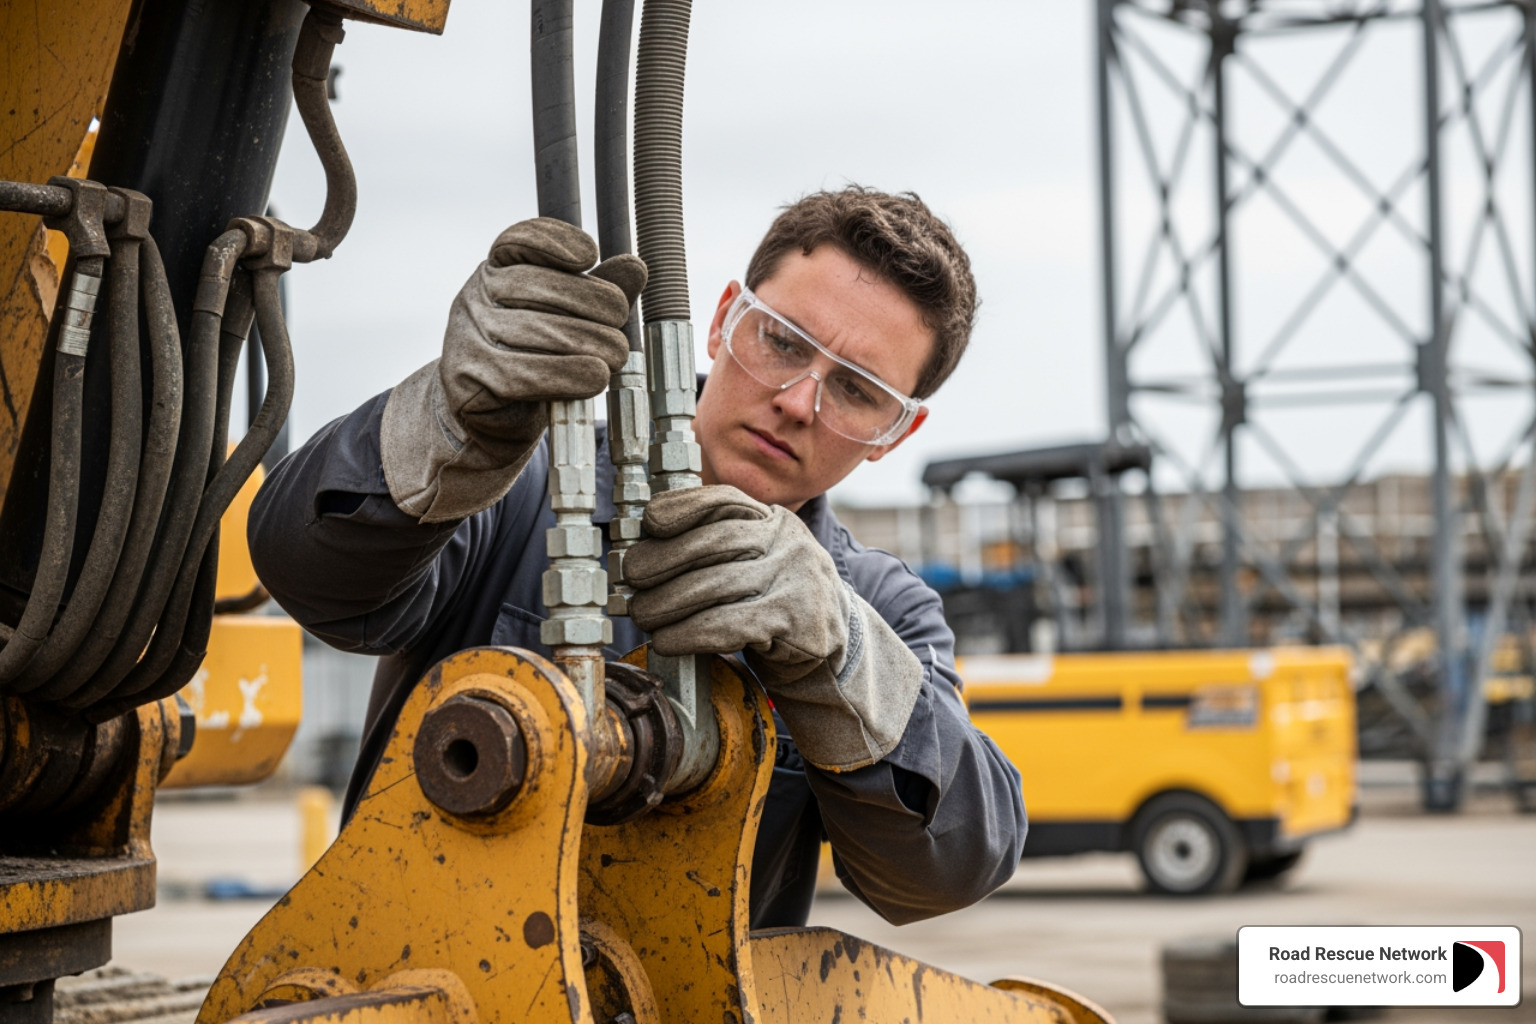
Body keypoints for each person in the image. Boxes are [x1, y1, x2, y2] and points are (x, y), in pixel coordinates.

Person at [249, 185, 1027, 928]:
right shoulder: (519, 482)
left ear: (895, 433)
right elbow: (304, 568)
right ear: (722, 321)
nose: (797, 401)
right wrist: (445, 422)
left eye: (855, 390)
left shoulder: (878, 610)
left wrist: (841, 657)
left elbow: (947, 866)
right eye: (782, 342)